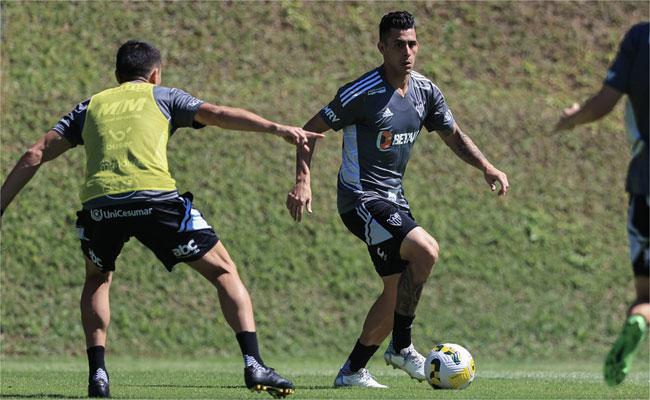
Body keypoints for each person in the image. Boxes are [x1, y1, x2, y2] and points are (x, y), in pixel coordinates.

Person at [0, 40, 324, 398]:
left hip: (101, 207)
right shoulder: (163, 96)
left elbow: (36, 152)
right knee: (224, 271)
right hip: (156, 201)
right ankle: (254, 364)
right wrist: (277, 128)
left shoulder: (90, 106)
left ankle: (99, 376)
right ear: (155, 73)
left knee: (97, 278)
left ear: (116, 76)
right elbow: (216, 113)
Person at [285, 11, 509, 388]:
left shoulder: (425, 91)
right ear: (382, 47)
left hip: (393, 201)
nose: (407, 51)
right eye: (398, 45)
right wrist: (303, 180)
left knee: (395, 293)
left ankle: (353, 370)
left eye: (412, 44)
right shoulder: (360, 93)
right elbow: (308, 131)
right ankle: (402, 347)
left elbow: (453, 134)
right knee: (426, 250)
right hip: (360, 199)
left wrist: (486, 167)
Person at [555, 22, 649, 387]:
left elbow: (605, 102)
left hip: (643, 184)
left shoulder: (640, 38)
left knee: (645, 295)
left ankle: (639, 318)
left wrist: (573, 118)